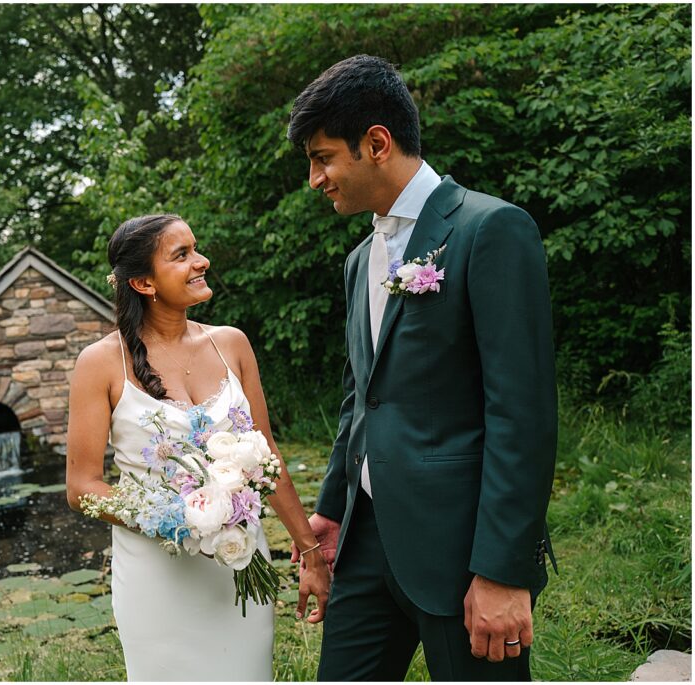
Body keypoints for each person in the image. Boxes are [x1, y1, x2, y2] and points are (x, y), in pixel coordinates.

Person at [285, 55, 558, 681]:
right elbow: (361, 402)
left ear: (376, 143)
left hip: (462, 553)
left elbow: (522, 414)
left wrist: (502, 571)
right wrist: (332, 510)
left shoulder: (490, 230)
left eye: (323, 157)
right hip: (365, 544)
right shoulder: (359, 263)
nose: (315, 178)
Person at [66, 214, 332, 681]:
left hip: (239, 561)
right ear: (144, 282)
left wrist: (310, 553)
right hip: (157, 576)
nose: (201, 261)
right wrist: (179, 521)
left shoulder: (232, 344)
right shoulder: (101, 363)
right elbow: (81, 486)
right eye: (182, 255)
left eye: (196, 249)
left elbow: (266, 456)